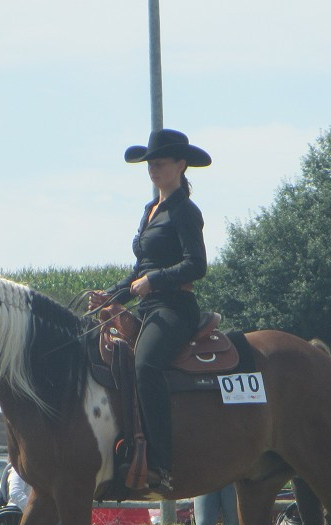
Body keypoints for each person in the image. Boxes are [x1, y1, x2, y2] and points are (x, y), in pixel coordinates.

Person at [90, 128, 211, 493]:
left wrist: (155, 280)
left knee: (145, 364)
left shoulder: (185, 211)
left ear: (180, 165)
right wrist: (110, 296)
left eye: (160, 163)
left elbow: (197, 264)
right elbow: (137, 272)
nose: (153, 168)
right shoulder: (150, 211)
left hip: (175, 306)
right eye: (150, 163)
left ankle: (160, 461)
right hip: (148, 305)